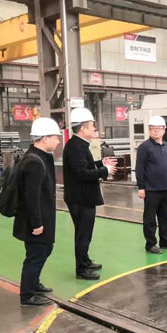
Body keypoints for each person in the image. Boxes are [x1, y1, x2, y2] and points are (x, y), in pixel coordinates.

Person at [63, 107, 117, 281]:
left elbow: (84, 166)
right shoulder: (75, 147)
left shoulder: (79, 145)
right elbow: (81, 173)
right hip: (80, 198)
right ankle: (81, 269)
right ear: (82, 128)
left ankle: (85, 260)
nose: (94, 128)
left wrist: (100, 162)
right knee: (83, 234)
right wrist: (104, 170)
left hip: (83, 197)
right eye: (92, 125)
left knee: (85, 233)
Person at [14, 118, 60, 306]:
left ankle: (34, 283)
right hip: (34, 220)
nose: (58, 141)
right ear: (44, 138)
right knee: (35, 255)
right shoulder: (33, 161)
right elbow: (31, 197)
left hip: (43, 216)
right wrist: (37, 223)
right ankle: (27, 295)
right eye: (55, 137)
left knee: (45, 249)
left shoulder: (42, 156)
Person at [136, 115, 167, 253]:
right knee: (150, 218)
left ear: (164, 130)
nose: (156, 130)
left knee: (165, 216)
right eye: (152, 128)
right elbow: (140, 168)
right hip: (151, 190)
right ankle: (150, 244)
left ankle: (165, 240)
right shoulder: (144, 147)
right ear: (149, 130)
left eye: (159, 128)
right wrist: (141, 187)